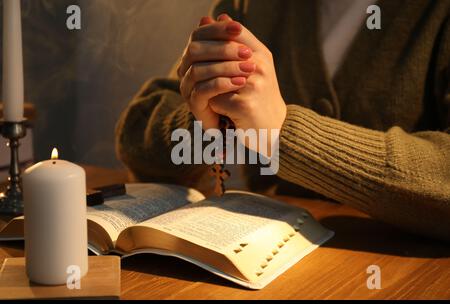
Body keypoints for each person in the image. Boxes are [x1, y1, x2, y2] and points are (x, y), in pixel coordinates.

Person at [115, 0, 450, 241]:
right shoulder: (254, 6)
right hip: (265, 272)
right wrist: (208, 118)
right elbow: (137, 140)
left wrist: (280, 130)